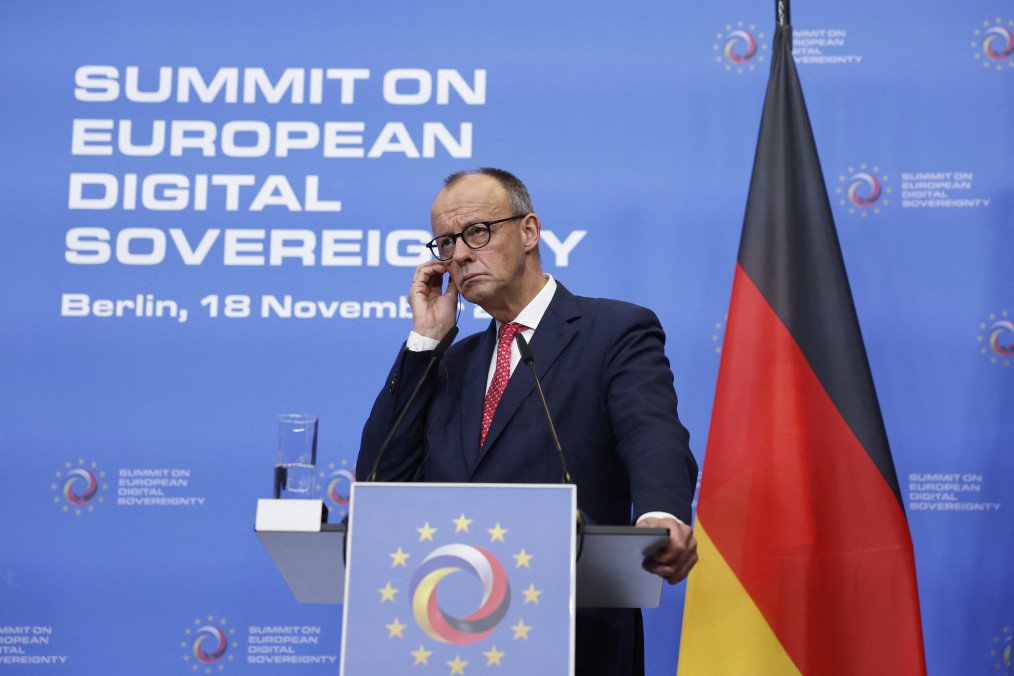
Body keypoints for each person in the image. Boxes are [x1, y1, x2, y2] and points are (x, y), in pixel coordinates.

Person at [357, 168, 698, 675]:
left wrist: (661, 515)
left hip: (576, 634)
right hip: (447, 636)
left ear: (530, 231)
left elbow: (651, 434)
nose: (462, 254)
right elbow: (380, 480)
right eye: (447, 243)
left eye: (477, 231)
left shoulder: (614, 330)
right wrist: (426, 340)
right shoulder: (448, 362)